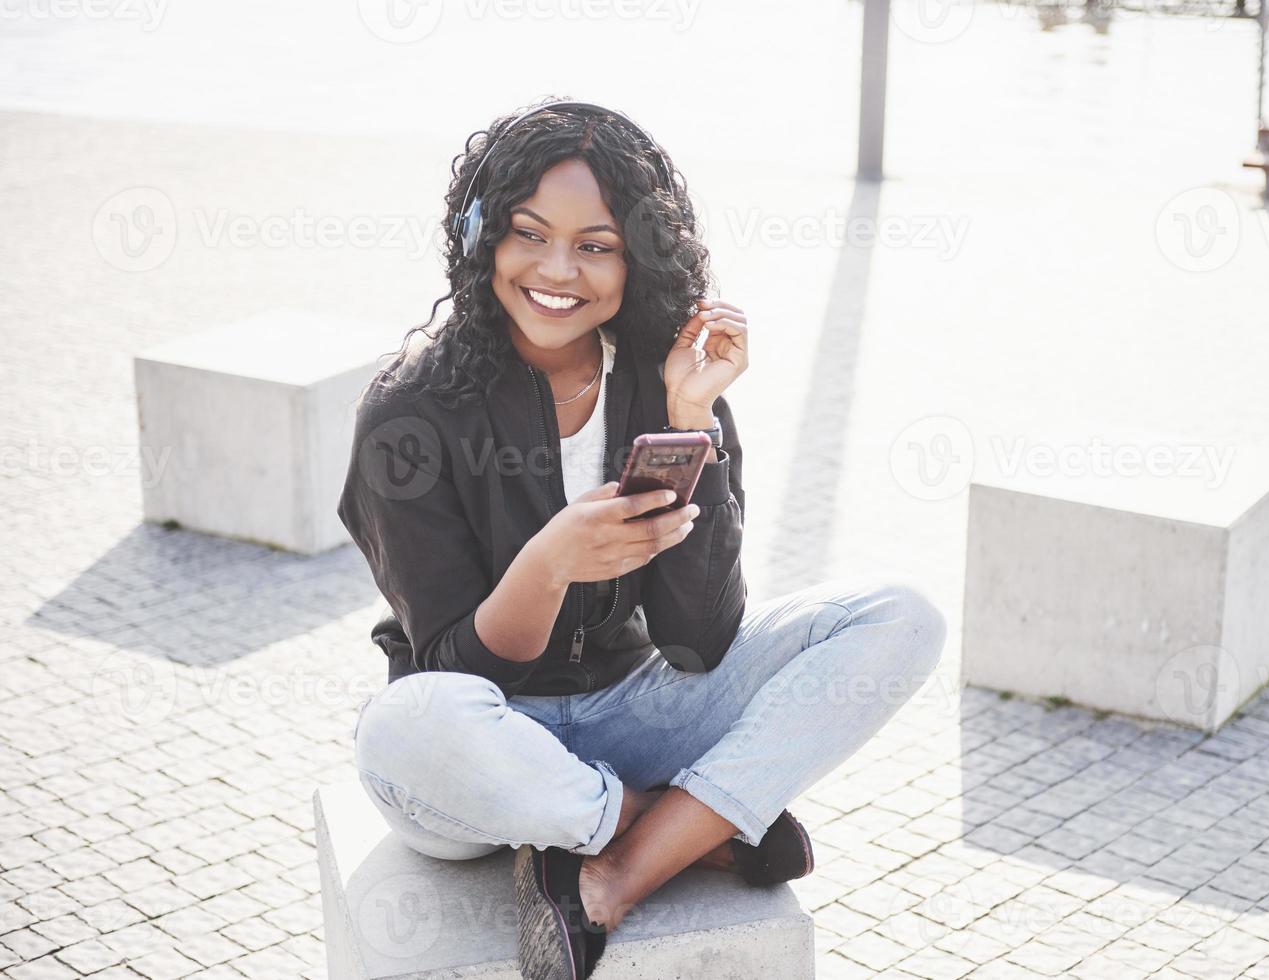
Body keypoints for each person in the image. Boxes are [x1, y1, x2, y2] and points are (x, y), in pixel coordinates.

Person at [338, 98, 947, 979]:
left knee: (902, 615)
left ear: (637, 258)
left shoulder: (663, 389)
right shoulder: (409, 412)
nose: (557, 269)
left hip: (633, 711)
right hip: (483, 752)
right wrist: (548, 567)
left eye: (595, 244)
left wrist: (692, 416)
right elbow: (454, 671)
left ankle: (617, 872)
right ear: (481, 238)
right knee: (401, 723)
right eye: (527, 233)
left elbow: (698, 644)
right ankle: (677, 828)